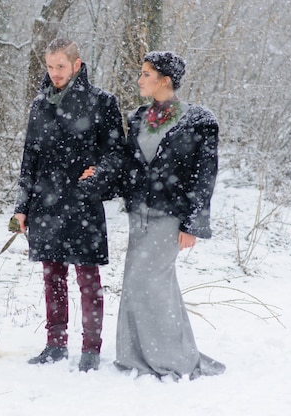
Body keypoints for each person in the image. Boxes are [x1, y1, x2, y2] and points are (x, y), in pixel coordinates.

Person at [80, 51, 225, 380]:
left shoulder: (199, 120)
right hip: (139, 215)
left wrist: (192, 224)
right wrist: (99, 176)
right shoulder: (138, 117)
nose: (140, 79)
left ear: (165, 80)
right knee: (142, 284)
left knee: (148, 283)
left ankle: (170, 361)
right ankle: (137, 357)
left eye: (146, 74)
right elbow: (129, 167)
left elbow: (205, 176)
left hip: (170, 217)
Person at [13, 38, 125, 372]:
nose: (54, 73)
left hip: (81, 201)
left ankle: (91, 348)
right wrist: (22, 206)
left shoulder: (101, 102)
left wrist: (98, 175)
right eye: (49, 66)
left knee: (88, 279)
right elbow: (29, 157)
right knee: (52, 277)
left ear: (77, 64)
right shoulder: (40, 103)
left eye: (60, 66)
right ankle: (55, 344)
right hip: (45, 203)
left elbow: (117, 153)